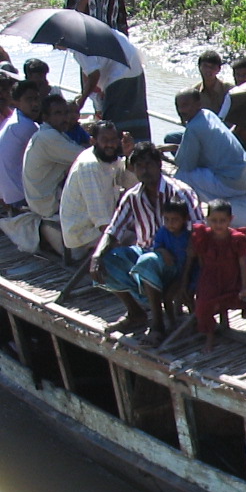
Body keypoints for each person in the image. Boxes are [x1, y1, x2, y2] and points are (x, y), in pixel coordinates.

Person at [90, 142, 202, 335]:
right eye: (139, 166)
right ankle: (135, 313)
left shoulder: (180, 193)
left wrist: (187, 275)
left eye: (148, 164)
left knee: (147, 261)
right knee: (107, 261)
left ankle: (157, 326)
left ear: (159, 165)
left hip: (176, 260)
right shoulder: (132, 196)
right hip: (147, 253)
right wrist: (97, 256)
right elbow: (114, 230)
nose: (144, 170)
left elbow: (199, 233)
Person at [185, 198, 246, 351]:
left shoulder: (237, 239)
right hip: (211, 277)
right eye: (214, 220)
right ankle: (210, 336)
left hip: (234, 277)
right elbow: (200, 260)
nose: (218, 225)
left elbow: (242, 264)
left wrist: (245, 286)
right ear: (207, 220)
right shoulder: (203, 237)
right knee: (202, 305)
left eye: (222, 220)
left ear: (230, 220)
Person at [170, 87, 246, 210]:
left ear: (198, 104)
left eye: (185, 105)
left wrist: (166, 154)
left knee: (181, 175)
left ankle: (190, 213)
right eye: (178, 106)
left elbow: (186, 165)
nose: (181, 110)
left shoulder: (193, 127)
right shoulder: (208, 114)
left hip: (234, 184)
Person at [57, 120, 133, 261]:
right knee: (138, 239)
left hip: (96, 228)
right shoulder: (89, 166)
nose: (110, 144)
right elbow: (101, 220)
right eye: (105, 140)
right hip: (82, 236)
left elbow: (130, 183)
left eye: (113, 140)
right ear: (93, 141)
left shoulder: (110, 158)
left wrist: (129, 156)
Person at [137, 200, 196, 342]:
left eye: (175, 220)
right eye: (167, 219)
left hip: (187, 273)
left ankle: (196, 321)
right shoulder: (163, 232)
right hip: (172, 271)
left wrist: (185, 279)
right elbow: (157, 246)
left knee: (186, 296)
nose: (170, 223)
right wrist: (163, 251)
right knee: (168, 297)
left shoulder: (189, 237)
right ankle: (172, 322)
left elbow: (192, 259)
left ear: (185, 219)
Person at [22, 94, 83, 221]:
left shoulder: (51, 134)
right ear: (45, 117)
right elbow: (85, 157)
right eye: (58, 113)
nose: (65, 117)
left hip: (42, 200)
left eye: (66, 112)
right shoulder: (48, 137)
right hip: (47, 205)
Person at [0, 80, 44, 212]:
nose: (35, 104)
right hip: (20, 197)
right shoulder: (25, 126)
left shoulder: (11, 121)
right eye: (29, 99)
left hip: (7, 195)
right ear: (16, 102)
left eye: (37, 98)